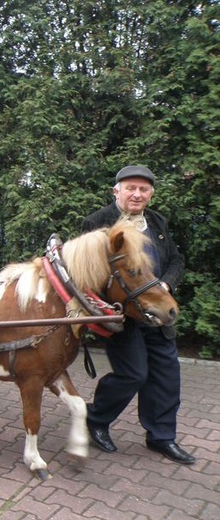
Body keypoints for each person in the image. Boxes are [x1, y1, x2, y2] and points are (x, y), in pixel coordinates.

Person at [83, 165, 194, 465]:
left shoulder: (157, 221)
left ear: (150, 194)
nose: (137, 194)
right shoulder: (97, 223)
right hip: (124, 316)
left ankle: (161, 437)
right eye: (130, 187)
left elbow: (175, 259)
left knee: (166, 378)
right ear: (116, 190)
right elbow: (88, 274)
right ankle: (95, 420)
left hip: (156, 312)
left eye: (143, 189)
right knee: (133, 374)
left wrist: (166, 283)